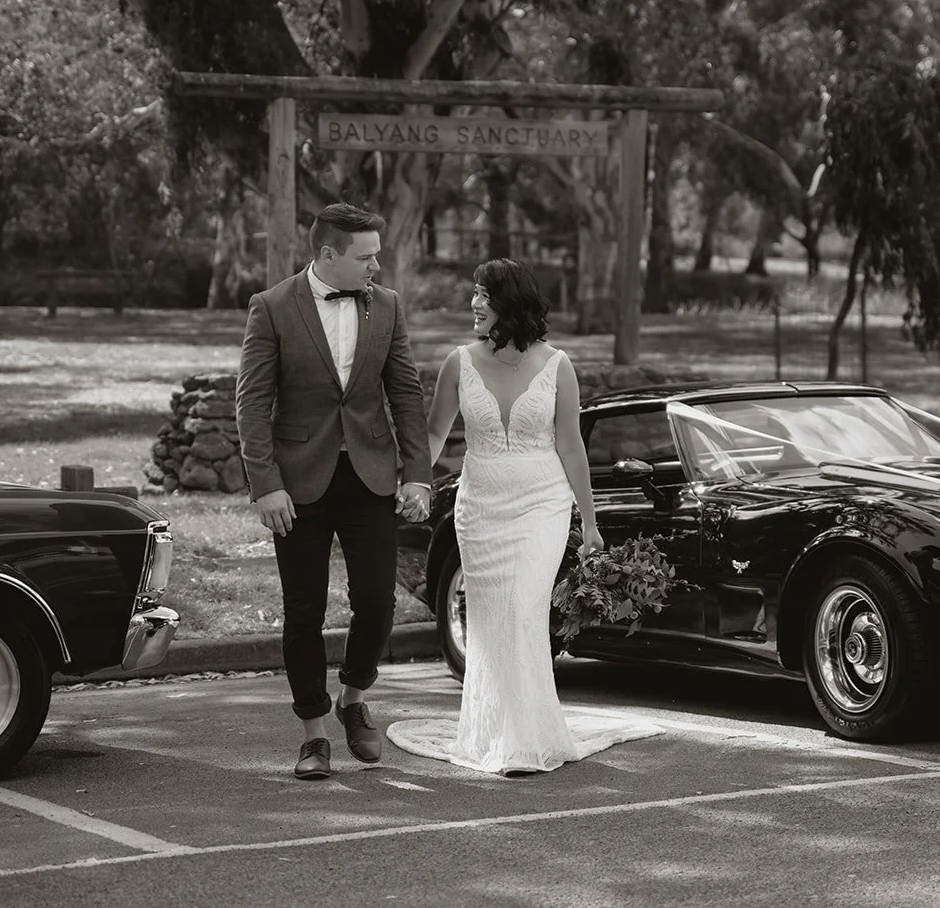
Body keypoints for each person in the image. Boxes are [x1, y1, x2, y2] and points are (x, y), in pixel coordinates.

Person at [386, 258, 662, 775]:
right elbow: (433, 434)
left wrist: (591, 524)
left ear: (509, 302)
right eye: (473, 293)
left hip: (542, 505)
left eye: (482, 294)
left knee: (522, 608)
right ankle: (498, 734)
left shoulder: (557, 365)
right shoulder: (458, 363)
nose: (473, 303)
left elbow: (571, 446)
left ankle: (527, 737)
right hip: (480, 508)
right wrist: (413, 482)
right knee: (491, 619)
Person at [235, 202, 432, 781]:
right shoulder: (272, 306)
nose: (376, 266)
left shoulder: (387, 305)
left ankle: (352, 698)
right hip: (298, 484)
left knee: (377, 602)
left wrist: (417, 473)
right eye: (366, 256)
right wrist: (265, 485)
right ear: (328, 254)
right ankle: (313, 734)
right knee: (305, 611)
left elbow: (406, 393)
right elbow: (252, 403)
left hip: (371, 475)